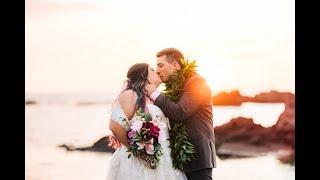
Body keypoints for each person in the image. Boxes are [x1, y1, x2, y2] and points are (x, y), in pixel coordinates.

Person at [106, 63, 187, 180]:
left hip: (163, 158)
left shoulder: (155, 98)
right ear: (144, 77)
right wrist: (138, 150)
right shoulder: (131, 95)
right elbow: (115, 125)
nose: (157, 71)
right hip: (137, 162)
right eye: (152, 70)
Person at [146, 48, 217, 180]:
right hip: (180, 158)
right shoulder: (175, 88)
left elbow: (180, 112)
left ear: (175, 65)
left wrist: (154, 93)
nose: (157, 70)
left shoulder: (196, 82)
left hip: (197, 157)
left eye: (160, 65)